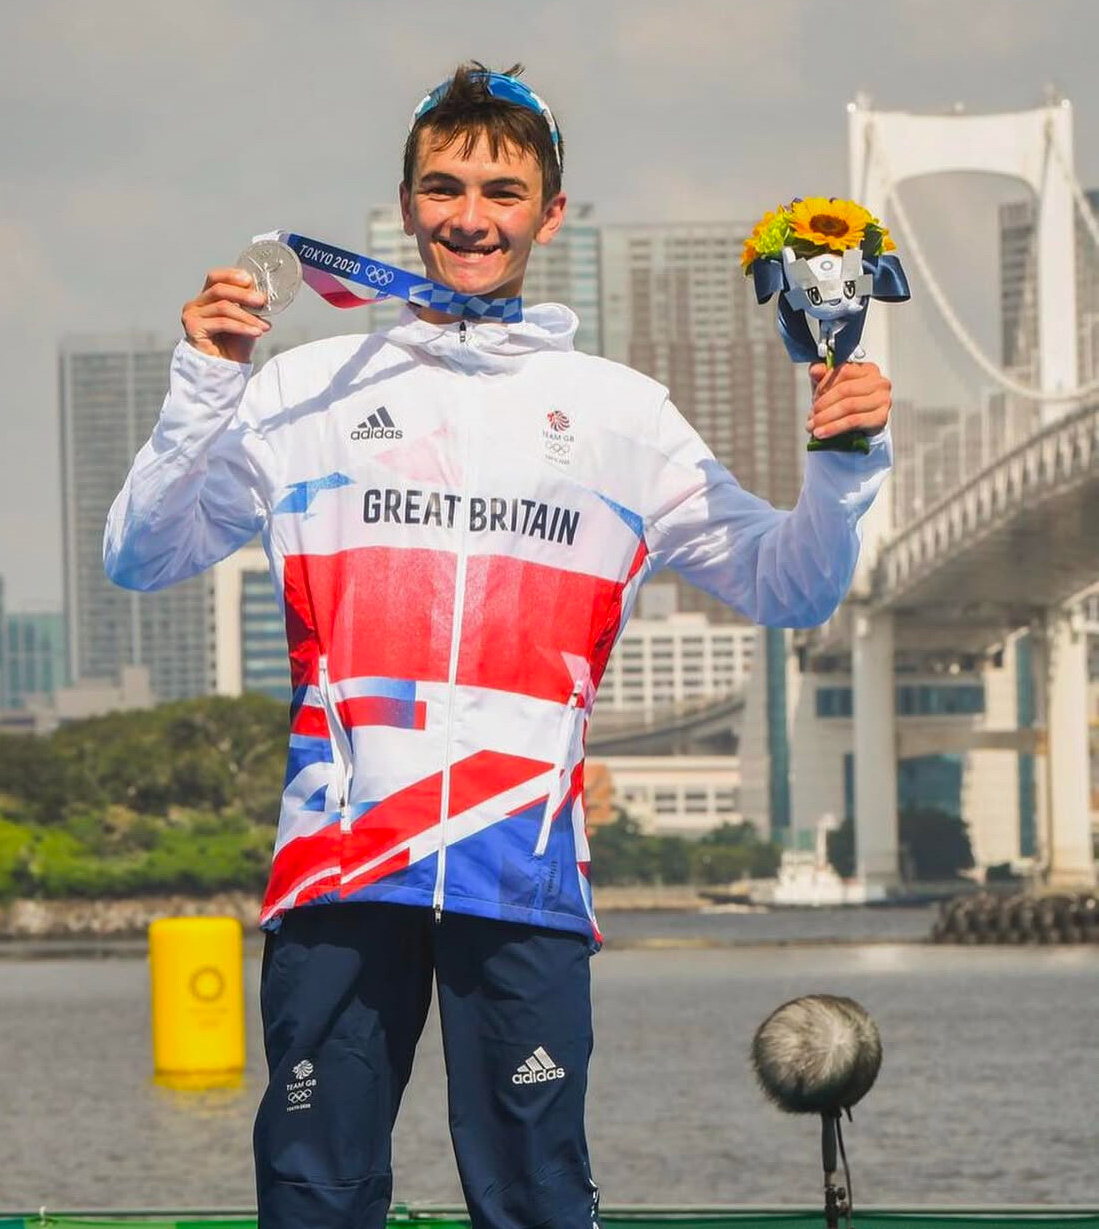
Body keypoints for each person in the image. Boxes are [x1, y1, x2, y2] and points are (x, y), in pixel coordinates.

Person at [104, 62, 894, 1229]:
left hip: (521, 868)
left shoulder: (623, 411)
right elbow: (140, 553)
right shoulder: (304, 388)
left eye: (503, 192)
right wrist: (204, 383)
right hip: (342, 863)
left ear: (550, 213)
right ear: (406, 204)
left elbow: (794, 585)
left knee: (535, 1200)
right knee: (314, 1195)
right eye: (444, 188)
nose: (471, 217)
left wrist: (845, 463)